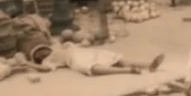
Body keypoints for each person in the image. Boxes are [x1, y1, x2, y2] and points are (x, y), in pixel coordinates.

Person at [34, 41, 164, 76]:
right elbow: (43, 68)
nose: (41, 53)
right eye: (37, 56)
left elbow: (80, 44)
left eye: (40, 50)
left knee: (115, 59)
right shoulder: (49, 60)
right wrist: (26, 63)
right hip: (73, 59)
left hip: (84, 51)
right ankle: (129, 70)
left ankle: (148, 65)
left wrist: (83, 42)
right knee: (93, 68)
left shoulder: (61, 47)